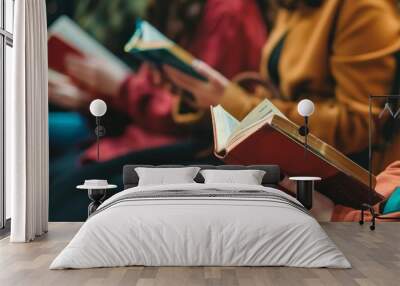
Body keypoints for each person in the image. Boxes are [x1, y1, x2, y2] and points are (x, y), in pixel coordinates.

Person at [49, 0, 269, 221]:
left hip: (186, 148)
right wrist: (97, 98)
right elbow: (149, 95)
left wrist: (122, 88)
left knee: (62, 195)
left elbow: (201, 117)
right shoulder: (167, 8)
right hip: (141, 136)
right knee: (50, 180)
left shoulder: (227, 12)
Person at [165, 0, 400, 172]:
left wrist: (233, 102)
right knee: (133, 173)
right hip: (282, 156)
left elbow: (359, 125)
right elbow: (276, 91)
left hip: (325, 173)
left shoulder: (363, 8)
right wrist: (205, 97)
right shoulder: (293, 7)